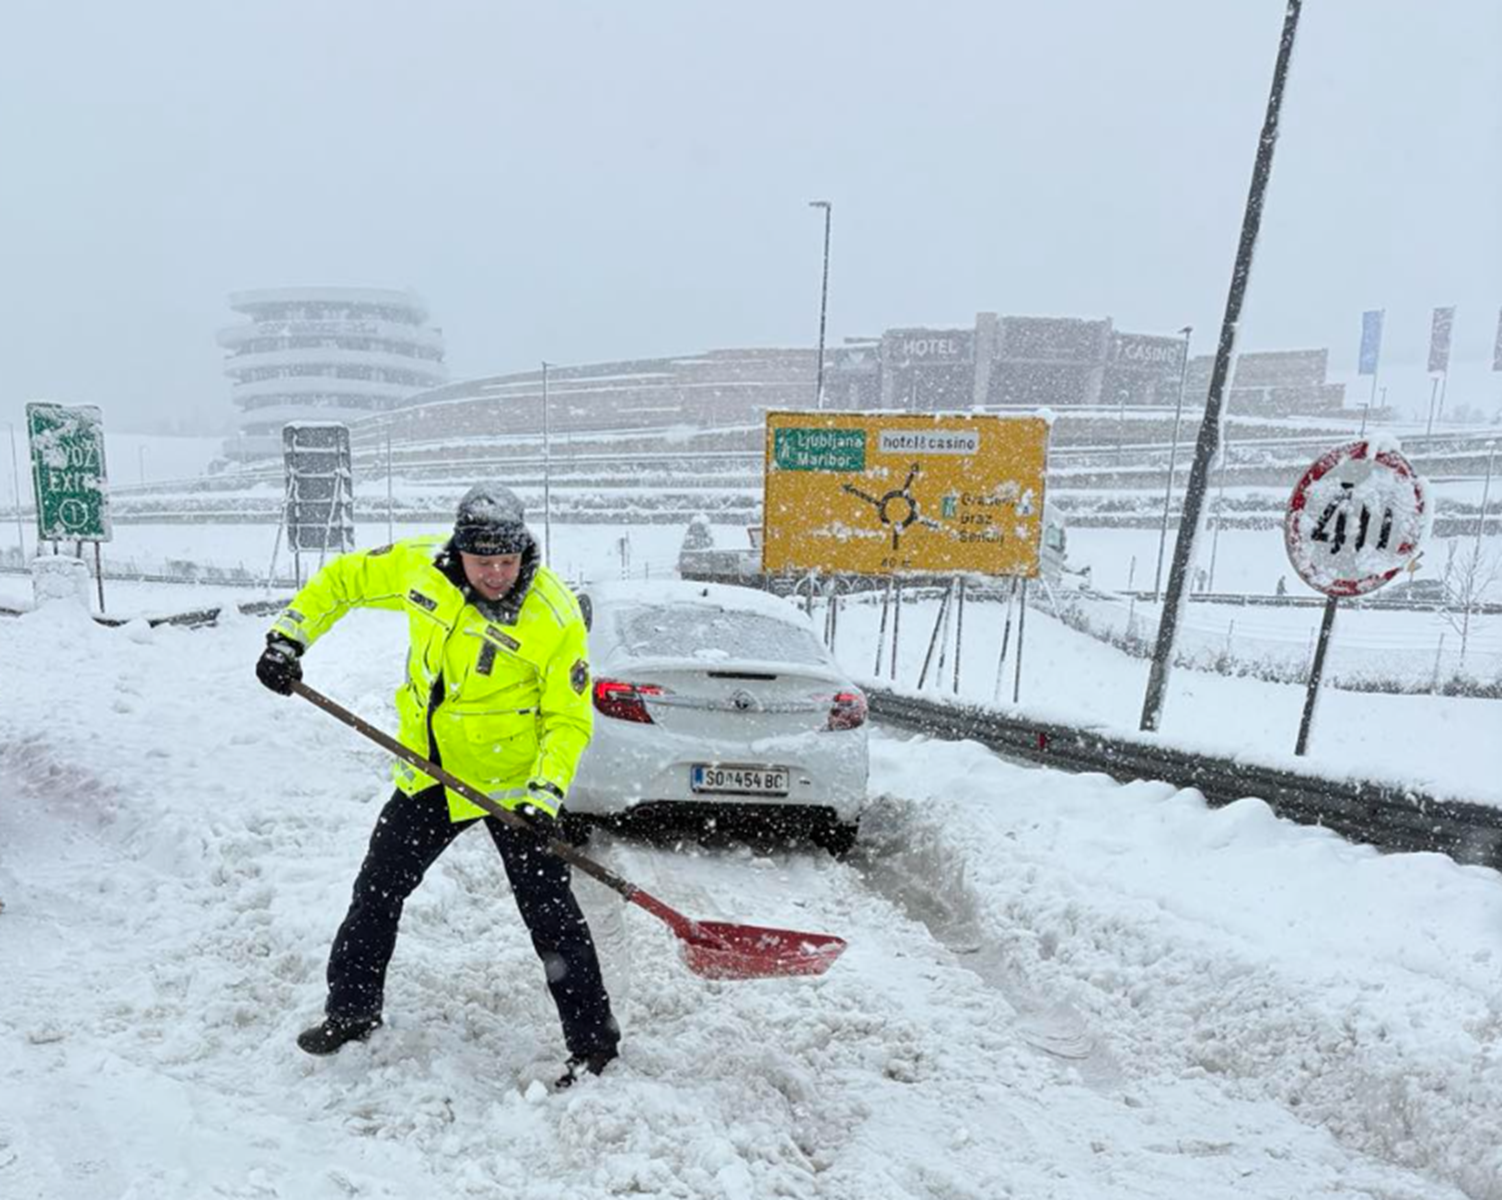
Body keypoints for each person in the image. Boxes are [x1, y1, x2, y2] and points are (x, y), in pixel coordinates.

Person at [255, 484, 619, 1089]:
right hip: (429, 774)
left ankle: (595, 1047)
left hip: (512, 791)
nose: (498, 574)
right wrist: (289, 636)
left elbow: (568, 719)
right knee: (376, 892)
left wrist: (545, 793)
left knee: (552, 921)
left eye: (509, 561)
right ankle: (351, 1013)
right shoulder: (422, 565)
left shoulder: (552, 616)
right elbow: (345, 580)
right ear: (460, 552)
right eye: (485, 564)